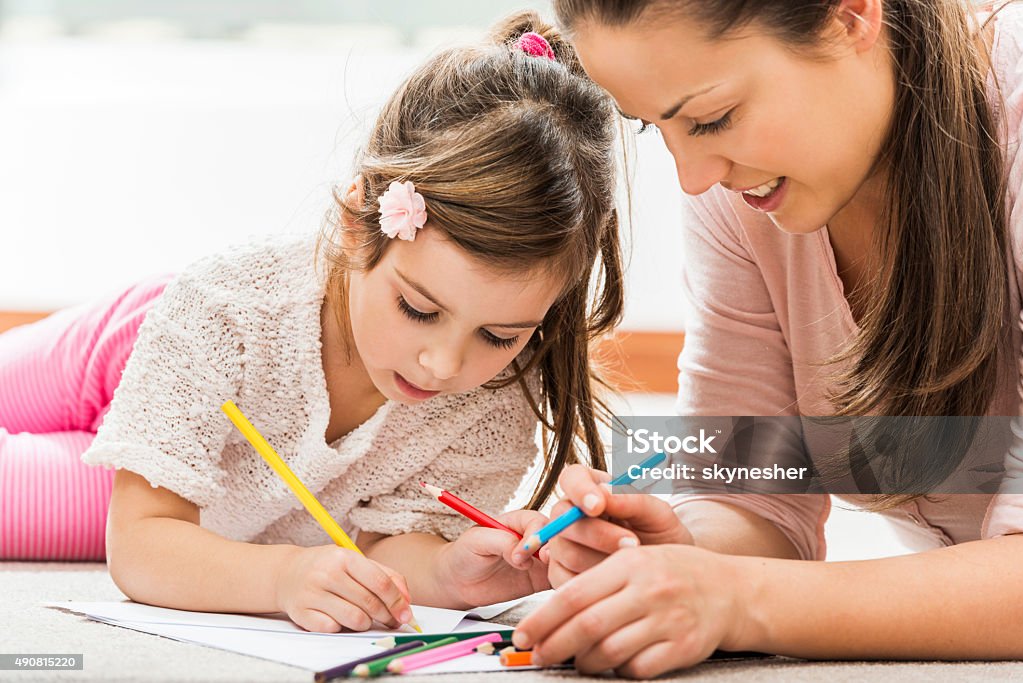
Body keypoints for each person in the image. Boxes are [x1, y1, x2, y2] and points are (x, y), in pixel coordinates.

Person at [0, 12, 624, 634]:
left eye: (499, 335)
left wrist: (450, 572)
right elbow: (138, 549)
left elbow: (147, 537)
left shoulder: (490, 398)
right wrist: (282, 577)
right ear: (359, 223)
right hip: (148, 345)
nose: (445, 364)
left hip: (195, 490)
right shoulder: (221, 310)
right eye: (419, 309)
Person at [512, 0, 1023, 676]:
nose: (693, 177)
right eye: (652, 125)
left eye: (713, 118)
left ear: (850, 16)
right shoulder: (741, 197)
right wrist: (679, 555)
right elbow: (757, 491)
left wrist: (737, 595)